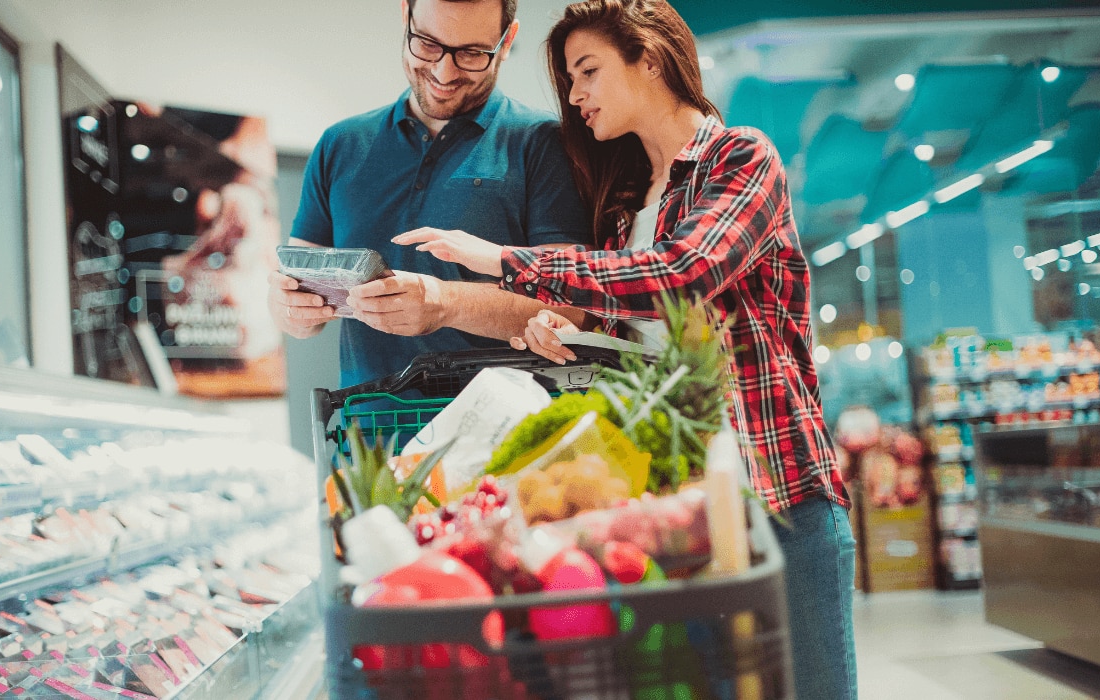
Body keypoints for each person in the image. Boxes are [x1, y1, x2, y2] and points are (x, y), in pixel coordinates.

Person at [396, 1, 857, 697]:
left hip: (778, 496)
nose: (575, 96)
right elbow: (630, 347)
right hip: (677, 516)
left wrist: (505, 260)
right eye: (568, 80)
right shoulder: (624, 210)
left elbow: (683, 274)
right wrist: (562, 336)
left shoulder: (741, 159)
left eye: (588, 71)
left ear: (650, 57)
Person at [268, 0, 591, 388]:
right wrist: (289, 308)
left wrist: (443, 303)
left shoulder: (545, 143)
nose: (443, 71)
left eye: (471, 53)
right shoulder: (340, 144)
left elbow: (573, 310)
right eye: (427, 43)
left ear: (507, 42)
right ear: (405, 15)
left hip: (506, 437)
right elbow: (296, 293)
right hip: (367, 434)